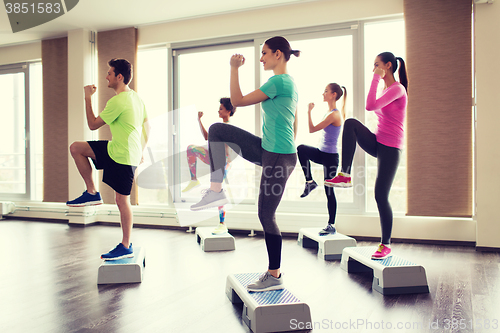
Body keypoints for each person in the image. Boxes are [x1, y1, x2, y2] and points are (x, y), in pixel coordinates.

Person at [190, 36, 299, 292]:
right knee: (217, 129)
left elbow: (236, 101)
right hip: (269, 150)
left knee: (265, 215)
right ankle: (215, 190)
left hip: (278, 157)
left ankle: (274, 274)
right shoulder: (287, 82)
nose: (261, 58)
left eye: (265, 53)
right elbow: (292, 123)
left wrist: (234, 68)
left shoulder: (279, 81)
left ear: (278, 54)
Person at [326, 52, 408, 260]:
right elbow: (371, 103)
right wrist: (377, 80)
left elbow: (370, 106)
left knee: (381, 196)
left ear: (388, 66)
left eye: (377, 65)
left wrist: (375, 77)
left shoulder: (398, 89)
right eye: (373, 66)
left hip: (391, 148)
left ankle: (385, 244)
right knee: (351, 124)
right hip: (378, 142)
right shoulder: (386, 89)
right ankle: (344, 174)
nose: (374, 69)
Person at [67, 58, 149, 261]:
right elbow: (147, 127)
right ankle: (92, 192)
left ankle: (126, 245)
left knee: (122, 200)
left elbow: (93, 125)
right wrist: (141, 150)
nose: (106, 77)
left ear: (119, 77)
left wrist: (87, 98)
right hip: (117, 150)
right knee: (77, 147)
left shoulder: (118, 101)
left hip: (122, 156)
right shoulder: (136, 98)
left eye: (110, 73)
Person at [297, 83, 346, 236]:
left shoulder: (334, 115)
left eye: (326, 91)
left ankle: (331, 224)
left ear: (333, 95)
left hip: (331, 158)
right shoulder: (329, 112)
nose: (323, 93)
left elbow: (312, 129)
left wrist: (309, 112)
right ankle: (310, 182)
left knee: (329, 191)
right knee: (301, 149)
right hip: (322, 153)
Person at [182, 98, 235, 235]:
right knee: (191, 149)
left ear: (228, 111)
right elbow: (207, 137)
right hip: (213, 157)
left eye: (221, 108)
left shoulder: (229, 127)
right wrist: (199, 120)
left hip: (224, 162)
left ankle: (222, 223)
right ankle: (194, 179)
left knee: (218, 191)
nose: (218, 110)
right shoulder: (219, 126)